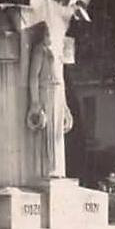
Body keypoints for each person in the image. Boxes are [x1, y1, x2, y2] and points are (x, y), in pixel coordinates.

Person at [25, 22, 72, 178]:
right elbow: (33, 77)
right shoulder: (41, 50)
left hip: (58, 92)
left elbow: (62, 79)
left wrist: (65, 106)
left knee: (58, 132)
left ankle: (58, 168)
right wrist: (35, 101)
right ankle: (48, 169)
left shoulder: (58, 50)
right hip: (46, 91)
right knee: (48, 130)